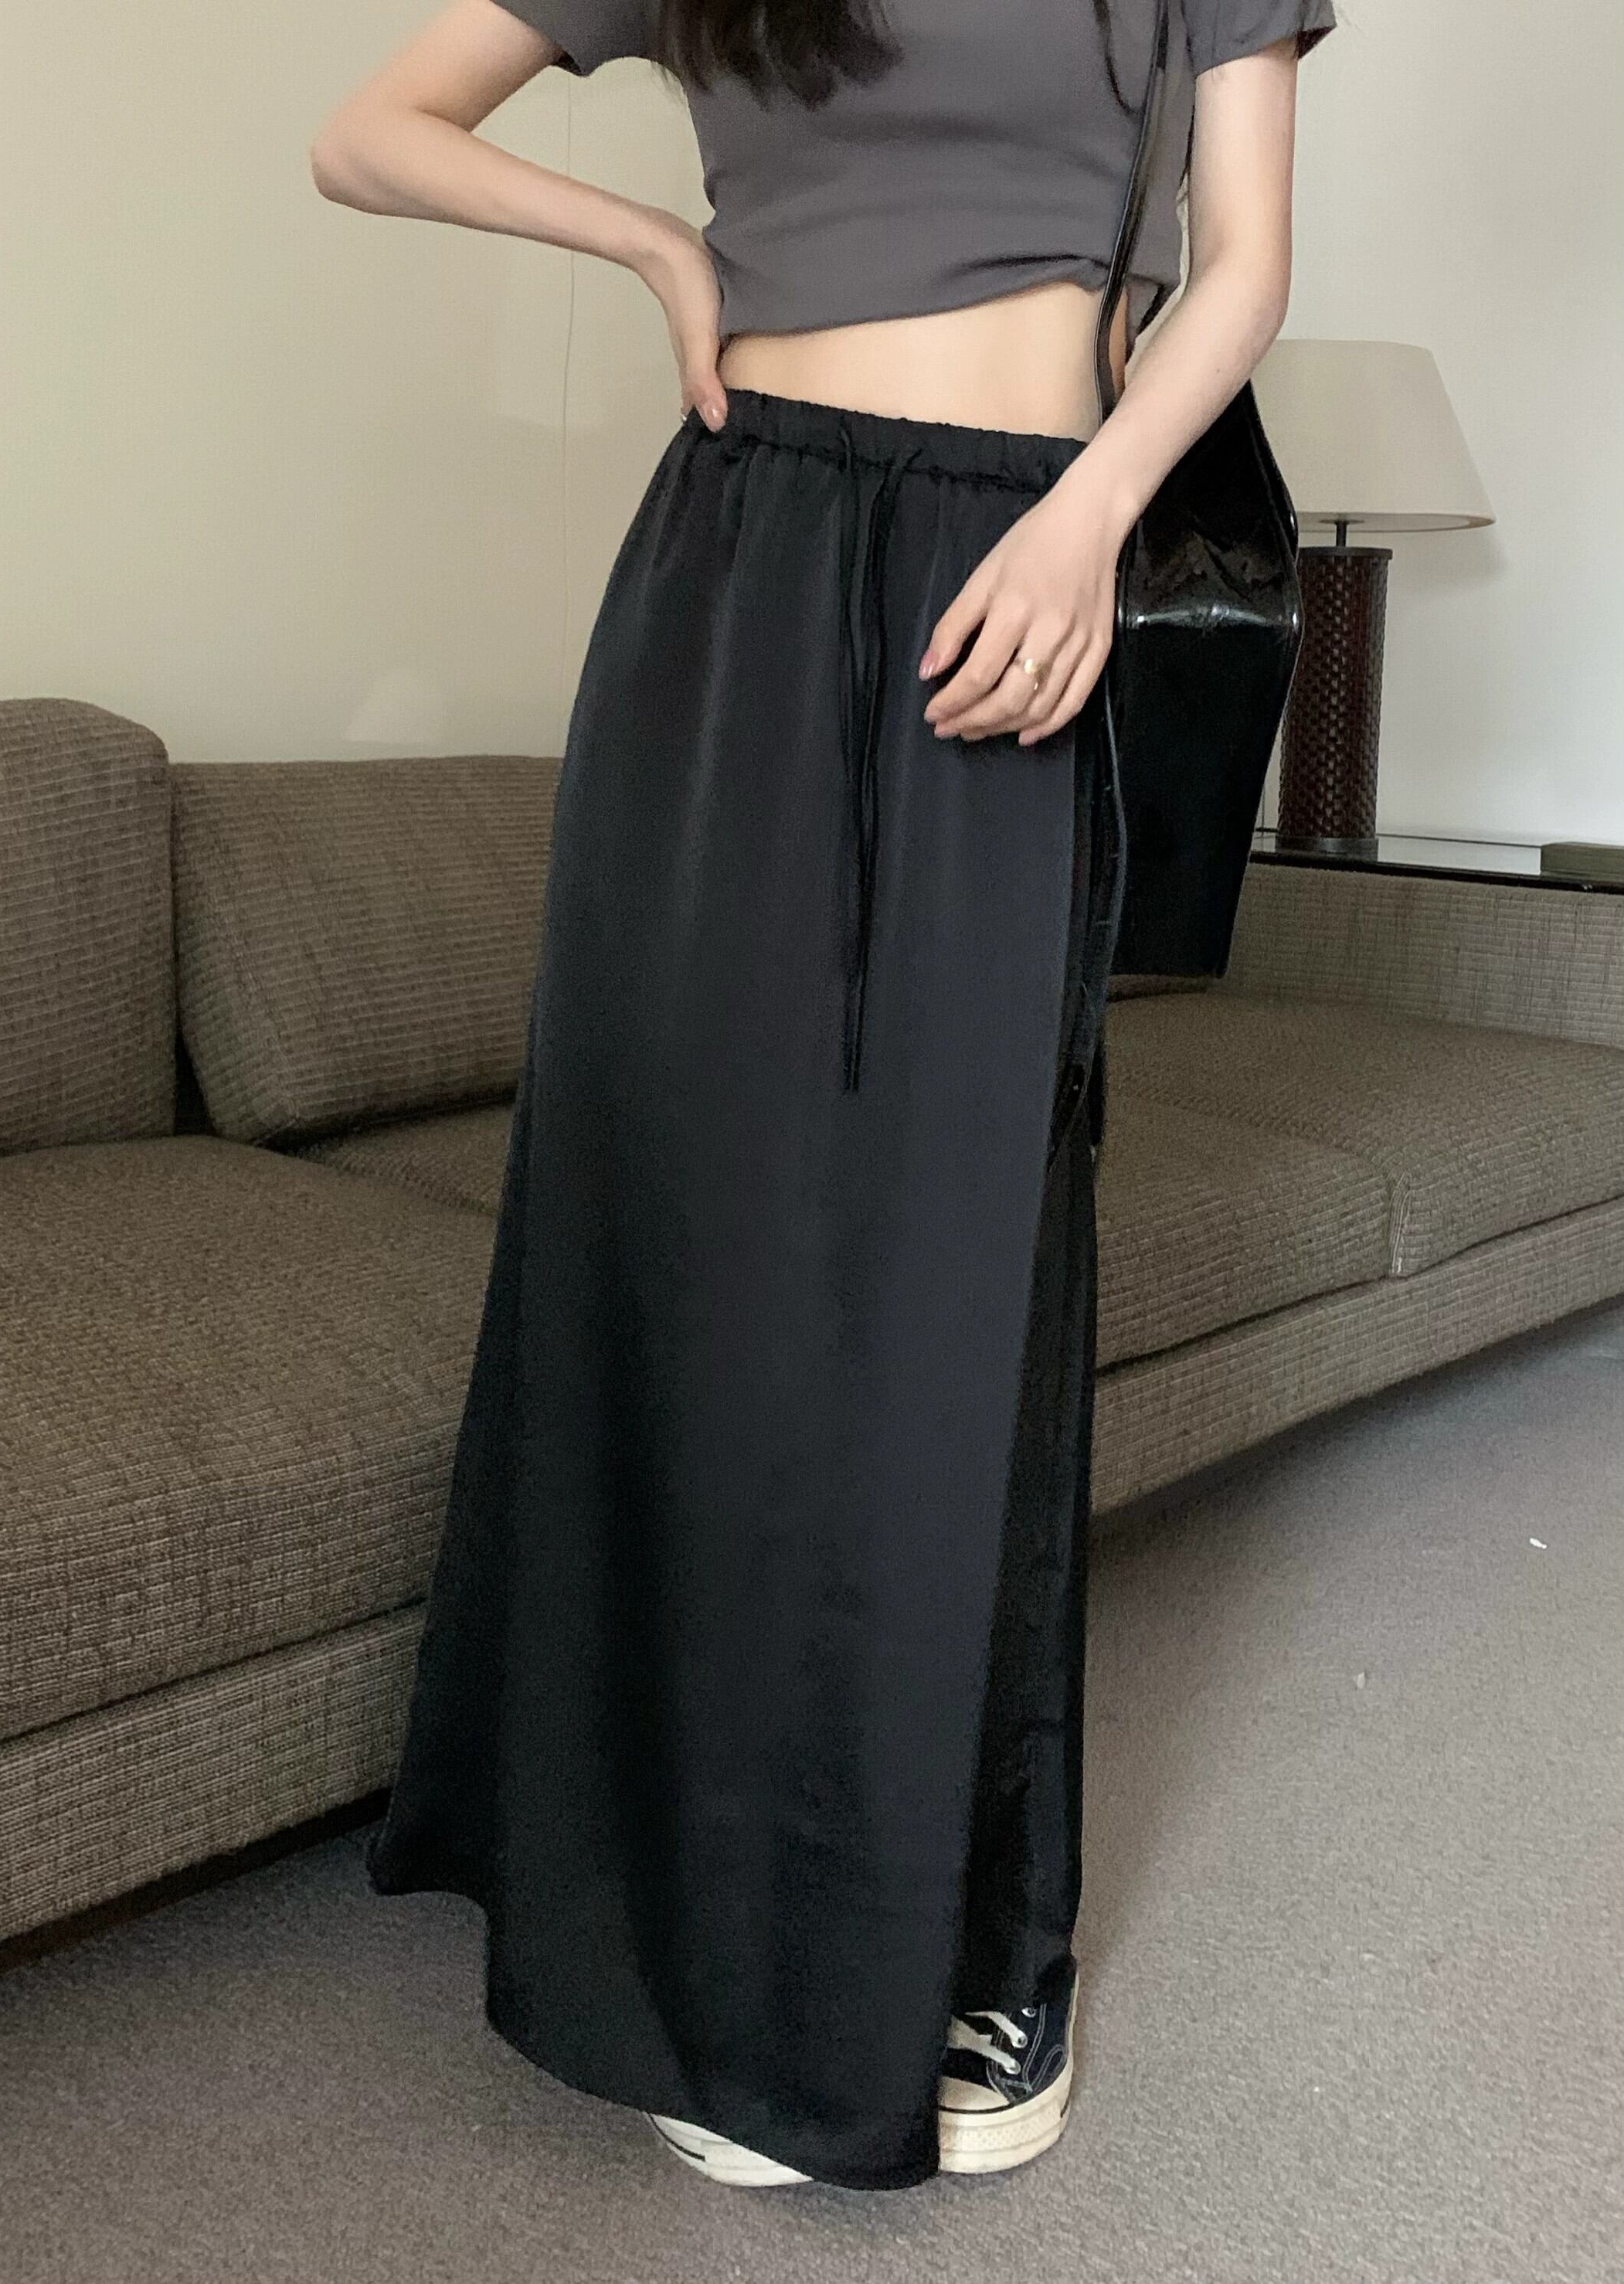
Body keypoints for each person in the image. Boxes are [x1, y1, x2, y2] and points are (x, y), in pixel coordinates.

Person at [310, 0, 1333, 2196]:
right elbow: (369, 133)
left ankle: (978, 1938)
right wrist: (657, 250)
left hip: (1026, 564)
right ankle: (682, 1911)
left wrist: (1092, 514)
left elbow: (1242, 262)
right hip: (736, 566)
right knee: (701, 1237)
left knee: (961, 1269)